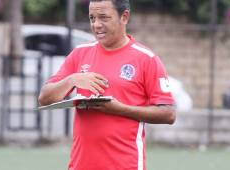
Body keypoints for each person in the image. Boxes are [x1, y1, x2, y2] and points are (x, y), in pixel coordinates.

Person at [38, 0, 176, 169]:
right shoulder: (80, 53)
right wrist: (72, 80)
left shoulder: (147, 59)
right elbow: (44, 98)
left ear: (124, 17)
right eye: (92, 18)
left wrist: (119, 109)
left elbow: (168, 114)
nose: (96, 24)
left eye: (103, 17)